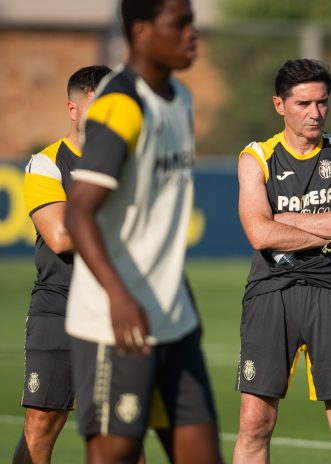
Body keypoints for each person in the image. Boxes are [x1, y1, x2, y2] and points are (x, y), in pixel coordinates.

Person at [63, 0, 222, 462]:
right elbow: (79, 213)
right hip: (113, 322)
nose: (193, 33)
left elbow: (157, 221)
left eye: (193, 21)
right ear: (143, 31)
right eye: (180, 23)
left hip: (172, 318)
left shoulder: (182, 99)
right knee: (116, 454)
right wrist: (118, 297)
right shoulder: (120, 105)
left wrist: (182, 296)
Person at [234, 58, 331, 464]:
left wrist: (287, 219)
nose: (315, 113)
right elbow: (259, 234)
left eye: (322, 102)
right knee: (255, 422)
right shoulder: (256, 157)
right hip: (271, 290)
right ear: (280, 105)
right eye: (303, 104)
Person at [13, 65, 111, 464]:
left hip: (116, 309)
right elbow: (61, 237)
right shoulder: (47, 163)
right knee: (42, 423)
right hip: (60, 304)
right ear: (73, 109)